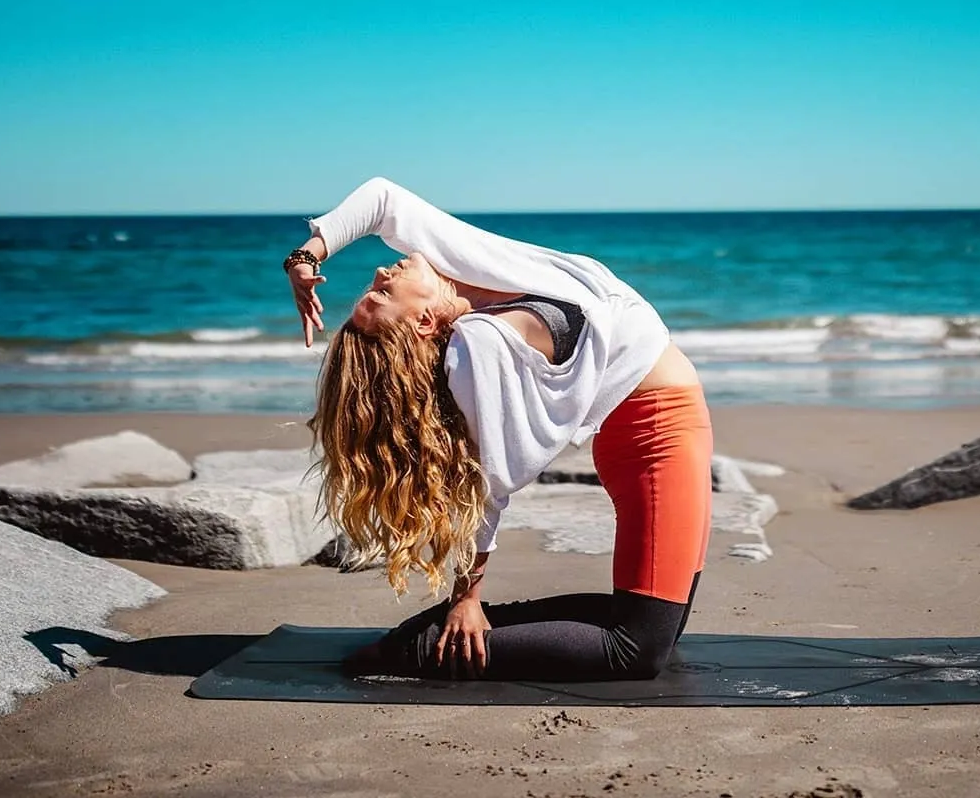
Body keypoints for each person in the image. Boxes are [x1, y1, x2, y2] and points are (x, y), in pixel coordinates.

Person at [284, 177, 712, 681]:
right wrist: (468, 595)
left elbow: (382, 199)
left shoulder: (462, 266)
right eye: (382, 292)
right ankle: (420, 649)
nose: (380, 271)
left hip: (660, 423)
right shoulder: (480, 344)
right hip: (654, 432)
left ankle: (453, 628)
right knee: (636, 652)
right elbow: (486, 478)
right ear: (423, 323)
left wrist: (306, 258)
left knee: (661, 623)